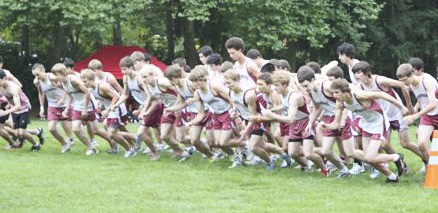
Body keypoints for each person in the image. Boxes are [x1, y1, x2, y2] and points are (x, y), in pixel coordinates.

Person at [325, 78, 408, 183]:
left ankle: (396, 157)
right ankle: (392, 177)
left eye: (337, 92)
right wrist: (326, 126)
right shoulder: (340, 103)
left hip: (379, 122)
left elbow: (382, 94)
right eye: (333, 93)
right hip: (366, 124)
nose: (334, 96)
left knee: (369, 157)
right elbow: (336, 124)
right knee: (368, 158)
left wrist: (401, 106)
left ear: (346, 91)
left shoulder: (358, 95)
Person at [353, 61, 419, 177]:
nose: (356, 76)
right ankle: (400, 163)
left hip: (397, 113)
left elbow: (402, 85)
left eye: (358, 73)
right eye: (355, 73)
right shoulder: (360, 87)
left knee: (405, 143)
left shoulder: (379, 80)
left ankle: (427, 160)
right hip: (383, 117)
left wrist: (407, 105)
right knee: (384, 144)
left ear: (366, 72)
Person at [260, 70, 328, 175]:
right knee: (292, 153)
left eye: (277, 85)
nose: (275, 88)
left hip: (305, 123)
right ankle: (310, 162)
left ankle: (325, 169)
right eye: (274, 86)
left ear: (285, 85)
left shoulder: (294, 96)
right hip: (295, 124)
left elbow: (289, 119)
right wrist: (273, 110)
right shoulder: (281, 93)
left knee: (308, 154)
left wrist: (271, 115)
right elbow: (285, 105)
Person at [224, 69, 291, 170]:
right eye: (225, 83)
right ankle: (282, 153)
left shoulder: (249, 95)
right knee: (262, 145)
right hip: (249, 119)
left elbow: (254, 116)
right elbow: (235, 104)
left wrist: (245, 130)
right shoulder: (230, 92)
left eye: (229, 83)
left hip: (258, 120)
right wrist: (235, 112)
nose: (227, 85)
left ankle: (269, 162)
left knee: (253, 147)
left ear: (237, 80)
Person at [297, 66, 351, 178]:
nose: (306, 89)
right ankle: (344, 170)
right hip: (328, 118)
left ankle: (373, 163)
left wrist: (343, 119)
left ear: (313, 79)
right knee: (326, 151)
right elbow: (317, 107)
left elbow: (344, 98)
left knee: (351, 151)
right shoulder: (311, 91)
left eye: (306, 86)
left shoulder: (326, 86)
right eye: (303, 87)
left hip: (342, 116)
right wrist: (310, 122)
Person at [188, 66, 239, 167]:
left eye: (197, 81)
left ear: (203, 79)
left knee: (223, 142)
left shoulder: (214, 86)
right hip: (216, 115)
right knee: (216, 143)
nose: (195, 84)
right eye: (193, 82)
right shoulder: (197, 94)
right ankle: (234, 155)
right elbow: (201, 113)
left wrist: (234, 112)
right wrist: (191, 123)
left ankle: (245, 146)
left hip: (227, 113)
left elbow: (231, 99)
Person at [139, 65, 191, 161]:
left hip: (179, 107)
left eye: (145, 76)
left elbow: (179, 90)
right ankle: (181, 152)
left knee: (180, 137)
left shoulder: (162, 82)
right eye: (142, 77)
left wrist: (178, 106)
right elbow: (152, 99)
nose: (144, 79)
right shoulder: (149, 86)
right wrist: (145, 111)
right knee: (164, 136)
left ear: (152, 75)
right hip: (168, 109)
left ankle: (200, 142)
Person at [80, 69, 136, 157]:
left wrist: (108, 110)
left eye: (85, 81)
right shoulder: (92, 88)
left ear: (92, 79)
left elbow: (116, 97)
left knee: (111, 133)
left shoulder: (102, 86)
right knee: (111, 130)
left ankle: (130, 148)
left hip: (117, 108)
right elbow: (103, 97)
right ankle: (135, 139)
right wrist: (99, 104)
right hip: (111, 110)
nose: (83, 84)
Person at [112, 56, 160, 160]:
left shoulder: (139, 78)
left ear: (131, 67)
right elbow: (125, 95)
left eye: (124, 69)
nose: (122, 71)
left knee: (150, 129)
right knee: (151, 128)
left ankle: (157, 150)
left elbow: (150, 96)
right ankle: (154, 147)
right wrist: (116, 104)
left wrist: (143, 109)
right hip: (143, 106)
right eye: (121, 69)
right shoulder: (126, 78)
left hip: (151, 104)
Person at [396, 63, 438, 173]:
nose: (404, 83)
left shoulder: (427, 81)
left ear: (412, 74)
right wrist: (412, 108)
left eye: (405, 80)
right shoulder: (410, 85)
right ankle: (432, 168)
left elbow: (433, 104)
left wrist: (414, 116)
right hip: (428, 116)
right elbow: (421, 99)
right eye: (402, 81)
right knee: (421, 144)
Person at [51, 63, 98, 155]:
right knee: (76, 129)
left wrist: (84, 109)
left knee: (96, 131)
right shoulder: (63, 83)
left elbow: (87, 92)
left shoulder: (73, 80)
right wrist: (67, 109)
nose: (55, 77)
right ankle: (91, 147)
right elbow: (69, 94)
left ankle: (112, 142)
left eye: (56, 74)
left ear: (63, 73)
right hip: (77, 105)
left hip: (88, 104)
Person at [32, 63, 74, 153]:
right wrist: (42, 107)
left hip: (64, 103)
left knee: (66, 125)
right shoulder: (37, 82)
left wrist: (63, 98)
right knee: (51, 128)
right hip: (52, 105)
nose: (36, 77)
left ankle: (70, 139)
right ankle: (65, 144)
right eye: (34, 75)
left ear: (43, 70)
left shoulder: (52, 77)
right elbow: (41, 93)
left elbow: (66, 86)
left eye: (37, 74)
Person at [0, 69, 41, 151]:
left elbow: (18, 105)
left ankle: (36, 144)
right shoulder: (1, 88)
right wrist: (9, 105)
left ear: (4, 78)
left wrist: (5, 112)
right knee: (16, 133)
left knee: (21, 132)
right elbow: (7, 98)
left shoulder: (13, 88)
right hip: (15, 109)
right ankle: (36, 133)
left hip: (24, 108)